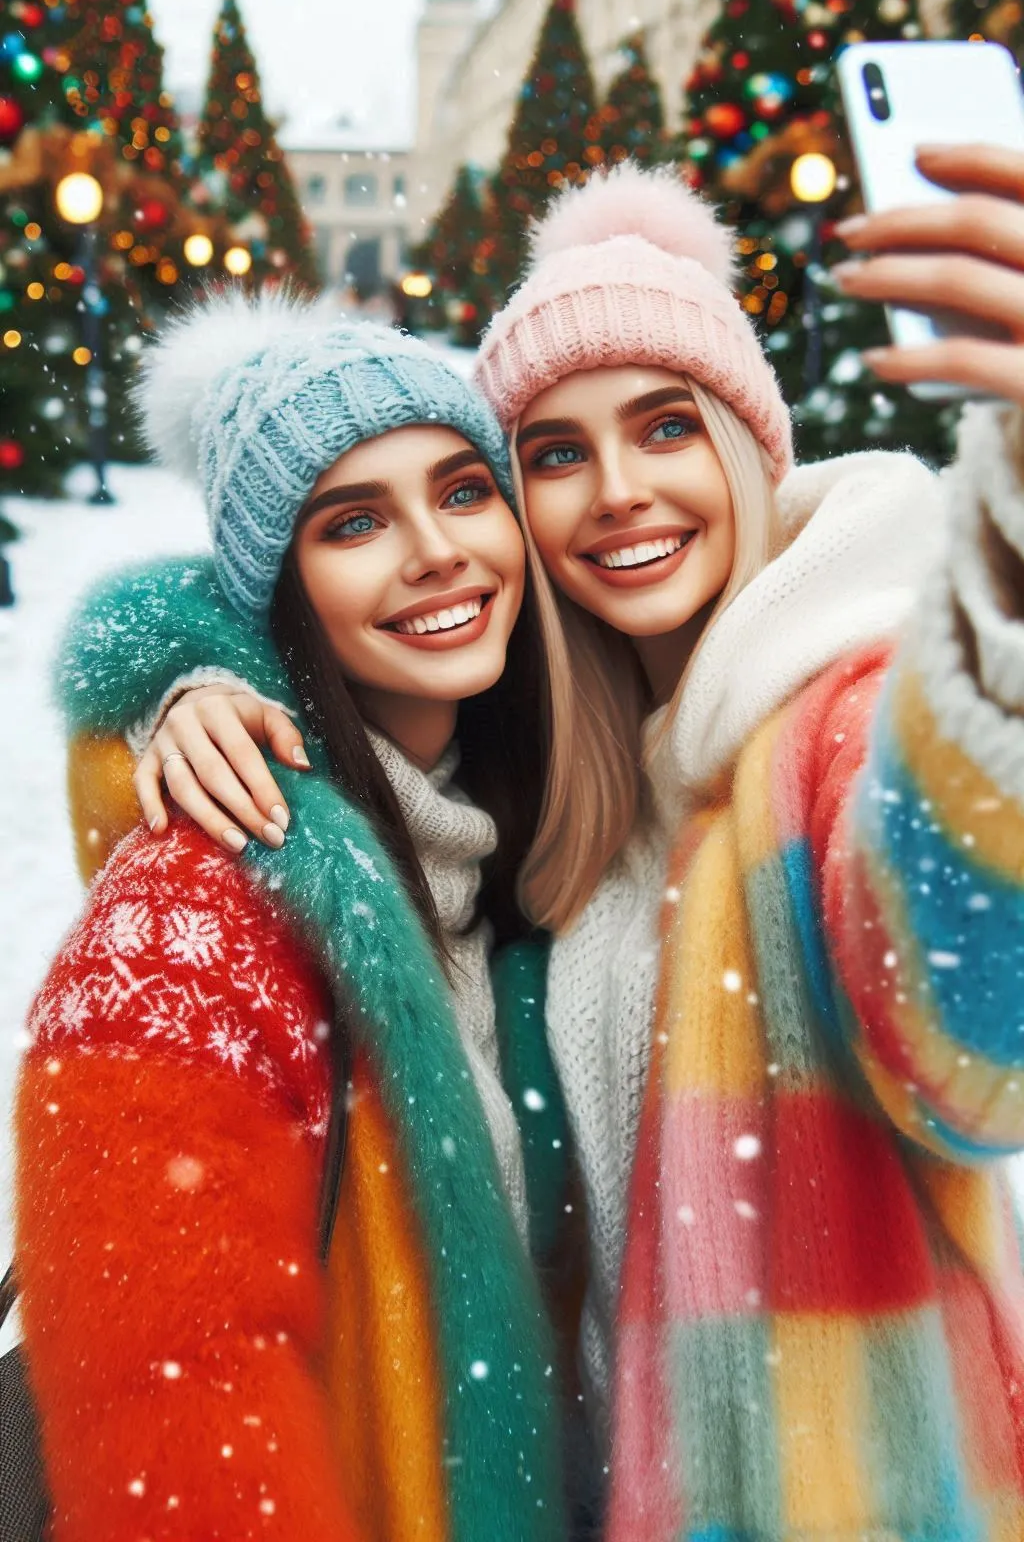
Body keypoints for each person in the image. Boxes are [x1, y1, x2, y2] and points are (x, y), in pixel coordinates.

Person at [53, 145, 1024, 1541]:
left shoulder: (848, 721)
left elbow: (976, 1041)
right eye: (555, 454)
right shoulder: (555, 796)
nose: (617, 491)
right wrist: (173, 679)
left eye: (668, 426)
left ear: (754, 445)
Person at [14, 295, 569, 1542]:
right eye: (355, 520)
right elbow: (169, 1426)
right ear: (278, 583)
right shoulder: (185, 916)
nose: (435, 550)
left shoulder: (531, 832)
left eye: (465, 489)